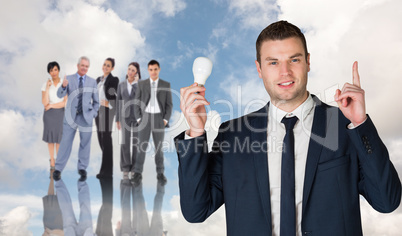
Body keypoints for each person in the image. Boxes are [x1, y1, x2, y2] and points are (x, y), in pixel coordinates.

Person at [175, 21, 401, 236]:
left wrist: (360, 125)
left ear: (308, 62)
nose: (285, 72)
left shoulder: (345, 126)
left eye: (294, 60)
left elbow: (386, 201)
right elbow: (196, 211)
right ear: (259, 68)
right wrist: (195, 133)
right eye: (273, 62)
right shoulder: (232, 135)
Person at [53, 56, 99, 181]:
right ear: (78, 66)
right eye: (82, 65)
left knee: (85, 143)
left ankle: (82, 168)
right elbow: (59, 95)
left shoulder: (92, 82)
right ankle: (58, 169)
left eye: (87, 66)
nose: (84, 68)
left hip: (86, 117)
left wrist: (93, 113)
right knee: (65, 142)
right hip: (70, 117)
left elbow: (96, 102)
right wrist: (63, 86)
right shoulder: (69, 79)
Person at [133, 60, 173, 185]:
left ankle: (160, 174)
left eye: (155, 69)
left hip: (159, 119)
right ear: (148, 70)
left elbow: (169, 104)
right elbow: (137, 102)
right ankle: (137, 173)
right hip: (145, 117)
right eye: (151, 69)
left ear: (159, 69)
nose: (153, 72)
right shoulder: (142, 84)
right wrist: (139, 118)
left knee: (159, 148)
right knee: (141, 147)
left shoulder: (165, 84)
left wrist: (165, 119)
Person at [116, 62, 141, 179]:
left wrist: (136, 84)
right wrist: (117, 119)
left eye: (133, 70)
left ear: (136, 73)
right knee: (125, 142)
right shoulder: (121, 85)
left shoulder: (139, 85)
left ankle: (135, 169)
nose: (130, 72)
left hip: (137, 117)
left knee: (135, 143)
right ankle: (126, 168)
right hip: (124, 117)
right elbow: (118, 102)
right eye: (129, 69)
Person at [95, 58, 119, 178]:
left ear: (112, 68)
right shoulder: (98, 80)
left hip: (107, 110)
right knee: (101, 139)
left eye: (108, 66)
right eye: (104, 64)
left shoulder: (114, 79)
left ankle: (106, 171)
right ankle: (107, 168)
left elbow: (116, 96)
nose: (105, 67)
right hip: (97, 111)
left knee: (106, 137)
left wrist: (108, 104)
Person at [41, 61, 67, 170]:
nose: (53, 72)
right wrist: (47, 88)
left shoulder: (64, 83)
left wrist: (51, 106)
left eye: (55, 69)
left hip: (60, 113)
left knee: (59, 138)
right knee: (51, 138)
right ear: (49, 72)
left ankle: (59, 160)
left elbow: (64, 103)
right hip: (49, 116)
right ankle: (52, 160)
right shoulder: (46, 84)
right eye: (51, 70)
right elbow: (44, 102)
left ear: (58, 70)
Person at [42, 169, 64, 236]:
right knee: (55, 199)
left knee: (50, 198)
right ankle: (56, 178)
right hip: (58, 225)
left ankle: (53, 178)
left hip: (50, 225)